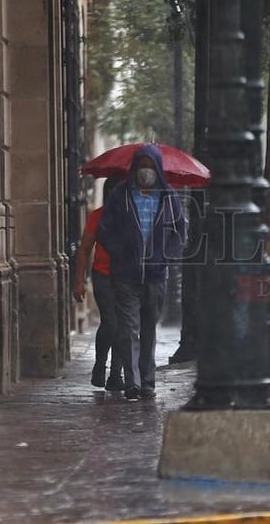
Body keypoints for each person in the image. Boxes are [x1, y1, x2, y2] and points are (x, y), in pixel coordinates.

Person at [97, 144, 187, 401]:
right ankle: (132, 381)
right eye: (141, 166)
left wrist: (167, 255)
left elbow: (180, 231)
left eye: (150, 166)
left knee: (149, 328)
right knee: (128, 328)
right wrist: (120, 251)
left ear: (157, 168)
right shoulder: (120, 195)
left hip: (157, 275)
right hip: (126, 274)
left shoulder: (169, 196)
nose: (145, 171)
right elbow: (105, 229)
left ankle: (148, 380)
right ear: (135, 168)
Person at [73, 177, 125, 391]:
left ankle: (115, 375)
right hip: (102, 275)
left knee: (123, 326)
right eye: (112, 190)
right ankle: (100, 366)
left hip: (126, 277)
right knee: (110, 322)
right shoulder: (97, 216)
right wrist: (79, 281)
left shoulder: (131, 216)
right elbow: (84, 250)